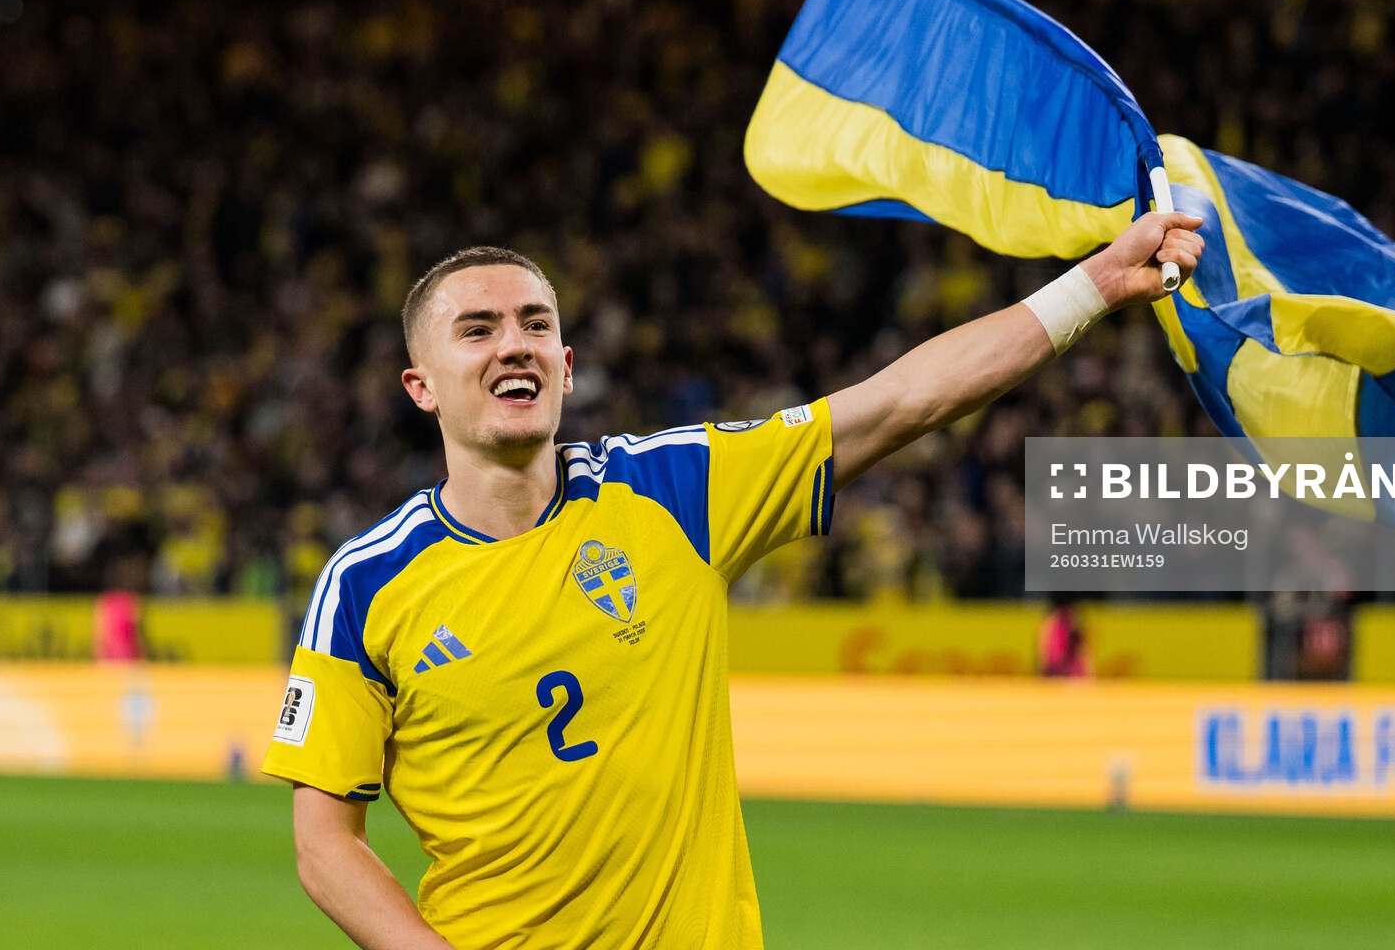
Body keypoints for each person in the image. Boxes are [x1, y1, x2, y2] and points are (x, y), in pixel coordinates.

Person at [261, 208, 1204, 949]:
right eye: (478, 329)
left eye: (535, 325)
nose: (515, 344)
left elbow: (902, 402)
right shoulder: (367, 584)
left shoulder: (671, 489)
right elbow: (324, 842)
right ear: (420, 385)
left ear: (566, 366)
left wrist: (1090, 286)